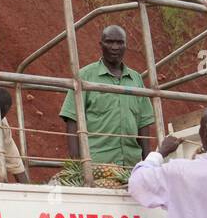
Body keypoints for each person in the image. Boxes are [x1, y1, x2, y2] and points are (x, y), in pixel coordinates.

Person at [60, 25, 155, 168]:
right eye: (109, 42)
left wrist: (147, 164)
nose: (115, 47)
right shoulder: (85, 76)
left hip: (132, 166)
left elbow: (143, 123)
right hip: (97, 165)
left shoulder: (136, 79)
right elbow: (72, 119)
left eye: (120, 42)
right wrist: (77, 163)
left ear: (125, 45)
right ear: (101, 45)